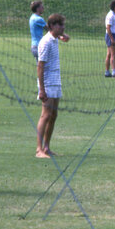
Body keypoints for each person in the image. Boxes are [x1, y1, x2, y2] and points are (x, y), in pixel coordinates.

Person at [36, 14, 66, 158]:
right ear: (53, 26)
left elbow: (60, 35)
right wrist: (41, 89)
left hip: (56, 81)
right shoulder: (46, 42)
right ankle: (38, 149)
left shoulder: (54, 39)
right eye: (60, 25)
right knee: (45, 115)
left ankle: (47, 147)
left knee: (53, 115)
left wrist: (62, 35)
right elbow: (40, 66)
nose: (63, 27)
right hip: (47, 83)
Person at [104, 0, 115, 78]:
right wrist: (112, 39)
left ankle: (107, 72)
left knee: (109, 54)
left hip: (114, 35)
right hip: (110, 35)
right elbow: (108, 28)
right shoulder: (110, 15)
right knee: (113, 55)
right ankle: (114, 72)